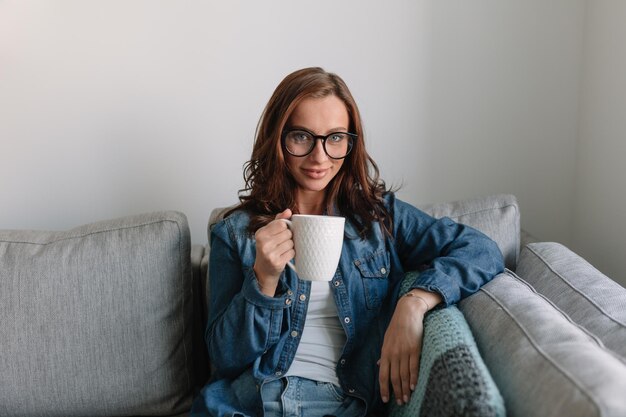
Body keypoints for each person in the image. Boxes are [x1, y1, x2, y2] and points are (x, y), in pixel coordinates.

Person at [191, 67, 504, 417]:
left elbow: (481, 250)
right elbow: (224, 359)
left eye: (335, 138)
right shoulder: (236, 232)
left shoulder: (379, 218)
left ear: (350, 142)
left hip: (343, 403)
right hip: (251, 402)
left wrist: (414, 303)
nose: (320, 157)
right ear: (277, 137)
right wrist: (263, 281)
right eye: (302, 136)